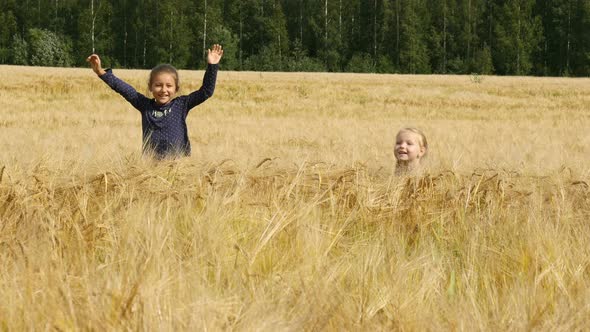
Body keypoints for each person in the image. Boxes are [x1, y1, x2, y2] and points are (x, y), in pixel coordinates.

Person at [86, 44, 224, 159]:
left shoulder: (182, 105)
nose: (163, 90)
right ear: (150, 87)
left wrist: (212, 66)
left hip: (179, 166)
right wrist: (100, 72)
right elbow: (124, 89)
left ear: (176, 89)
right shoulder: (145, 105)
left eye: (169, 86)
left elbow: (206, 91)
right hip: (150, 168)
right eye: (158, 85)